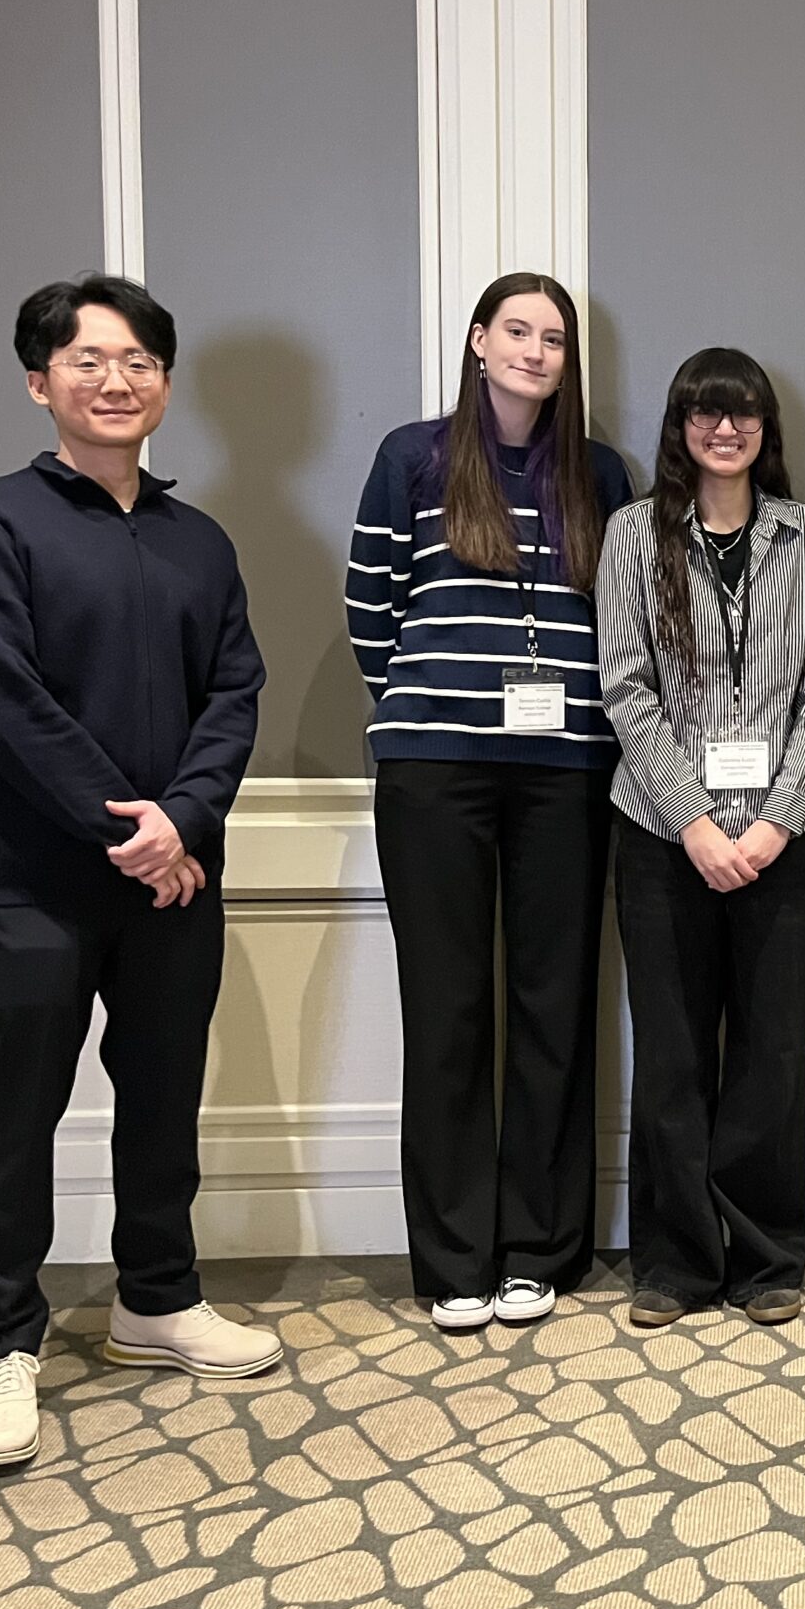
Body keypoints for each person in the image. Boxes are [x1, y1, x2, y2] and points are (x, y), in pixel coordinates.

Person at [0, 275, 280, 1471]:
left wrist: (178, 825)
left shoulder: (200, 542)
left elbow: (235, 693)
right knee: (20, 1101)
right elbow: (0, 698)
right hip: (34, 876)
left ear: (164, 385)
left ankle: (156, 1297)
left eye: (138, 360)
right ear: (41, 382)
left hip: (174, 879)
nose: (116, 378)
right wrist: (120, 824)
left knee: (164, 1090)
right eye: (87, 360)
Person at [349, 273, 630, 1332]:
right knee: (450, 1007)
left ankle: (538, 1250)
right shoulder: (413, 457)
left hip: (565, 768)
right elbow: (369, 602)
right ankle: (454, 1256)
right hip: (434, 772)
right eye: (516, 330)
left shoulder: (596, 471)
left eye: (553, 337)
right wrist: (430, 707)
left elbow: (622, 617)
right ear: (478, 341)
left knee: (553, 1009)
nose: (535, 350)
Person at [597, 349, 805, 1329]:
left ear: (764, 427)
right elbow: (626, 686)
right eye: (705, 412)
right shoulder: (632, 536)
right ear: (680, 424)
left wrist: (776, 820)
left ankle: (767, 1256)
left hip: (785, 840)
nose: (724, 429)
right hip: (661, 836)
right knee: (670, 1053)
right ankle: (676, 1260)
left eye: (741, 413)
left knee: (771, 1055)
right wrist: (694, 822)